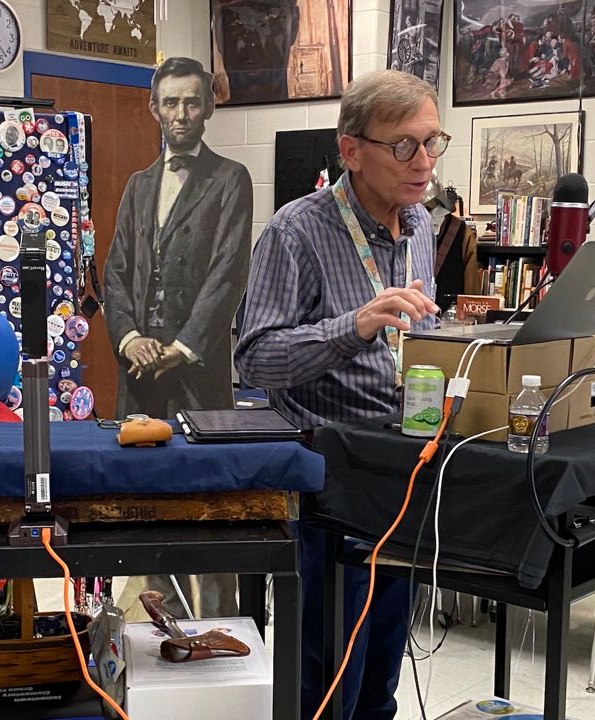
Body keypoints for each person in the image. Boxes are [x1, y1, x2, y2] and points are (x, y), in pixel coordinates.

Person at [235, 69, 445, 719]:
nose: (424, 161)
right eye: (404, 145)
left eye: (433, 142)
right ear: (351, 150)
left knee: (383, 671)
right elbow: (256, 358)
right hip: (331, 479)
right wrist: (352, 327)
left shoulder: (422, 229)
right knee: (330, 678)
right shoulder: (295, 232)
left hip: (405, 471)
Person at [104, 56, 253, 620]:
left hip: (198, 371)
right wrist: (130, 338)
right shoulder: (138, 185)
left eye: (192, 101)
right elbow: (115, 272)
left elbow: (228, 274)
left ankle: (219, 637)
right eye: (171, 103)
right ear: (154, 109)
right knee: (149, 509)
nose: (181, 114)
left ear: (209, 106)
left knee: (209, 507)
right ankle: (164, 629)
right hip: (140, 374)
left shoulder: (230, 179)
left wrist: (182, 346)